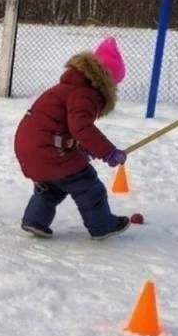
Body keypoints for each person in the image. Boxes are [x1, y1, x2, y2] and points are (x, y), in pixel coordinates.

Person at [14, 36, 131, 240]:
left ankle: (35, 221)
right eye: (114, 83)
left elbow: (63, 126)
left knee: (51, 186)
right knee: (87, 184)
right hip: (49, 149)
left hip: (29, 145)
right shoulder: (85, 93)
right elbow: (81, 127)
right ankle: (102, 225)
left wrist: (82, 148)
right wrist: (108, 152)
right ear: (105, 79)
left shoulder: (71, 87)